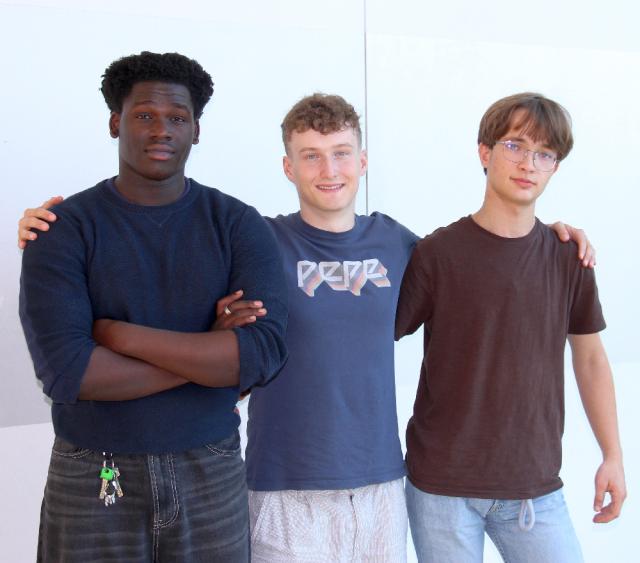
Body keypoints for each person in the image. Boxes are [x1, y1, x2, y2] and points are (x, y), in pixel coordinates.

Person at [19, 93, 594, 562]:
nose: (329, 170)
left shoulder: (402, 245)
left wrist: (554, 236)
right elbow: (176, 259)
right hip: (281, 483)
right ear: (288, 167)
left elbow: (483, 269)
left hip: (380, 483)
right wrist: (47, 226)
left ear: (362, 162)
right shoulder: (255, 240)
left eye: (341, 153)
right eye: (311, 156)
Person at [18, 51, 288, 563]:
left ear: (196, 131)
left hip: (210, 469)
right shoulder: (62, 230)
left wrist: (121, 335)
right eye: (144, 115)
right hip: (92, 474)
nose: (162, 129)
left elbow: (262, 354)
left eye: (178, 118)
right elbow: (67, 372)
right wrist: (210, 351)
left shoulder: (237, 224)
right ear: (115, 123)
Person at [395, 92, 626, 563]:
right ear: (485, 152)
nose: (528, 164)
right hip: (442, 486)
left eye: (544, 154)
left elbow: (590, 359)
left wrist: (613, 455)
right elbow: (370, 339)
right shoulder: (436, 254)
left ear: (555, 168)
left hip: (533, 487)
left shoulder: (569, 257)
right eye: (515, 146)